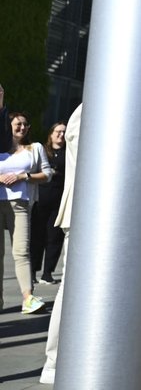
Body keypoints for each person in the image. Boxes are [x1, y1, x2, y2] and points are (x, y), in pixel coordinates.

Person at [40, 104, 82, 385]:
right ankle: (55, 362)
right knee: (71, 289)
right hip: (87, 213)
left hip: (98, 214)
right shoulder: (92, 106)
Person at [1, 111, 53, 314]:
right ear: (8, 126)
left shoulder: (35, 148)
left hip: (21, 204)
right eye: (17, 124)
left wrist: (25, 175)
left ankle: (28, 298)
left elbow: (47, 174)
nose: (22, 128)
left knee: (21, 251)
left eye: (25, 124)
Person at [31, 121, 67, 285]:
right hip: (41, 199)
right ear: (51, 134)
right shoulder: (43, 151)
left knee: (54, 238)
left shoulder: (69, 153)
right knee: (36, 237)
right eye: (58, 131)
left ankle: (47, 273)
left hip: (58, 201)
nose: (61, 135)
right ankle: (32, 271)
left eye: (64, 132)